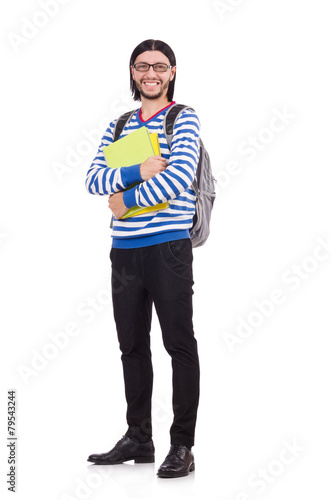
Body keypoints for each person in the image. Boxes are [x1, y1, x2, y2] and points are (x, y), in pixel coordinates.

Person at [86, 39, 201, 479]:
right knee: (131, 346)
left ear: (172, 71)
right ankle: (139, 437)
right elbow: (94, 179)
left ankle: (182, 445)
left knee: (178, 344)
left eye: (159, 66)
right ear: (132, 73)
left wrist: (125, 199)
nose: (150, 73)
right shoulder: (118, 126)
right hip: (125, 251)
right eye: (141, 66)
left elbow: (178, 178)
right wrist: (138, 170)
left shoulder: (182, 118)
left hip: (169, 248)